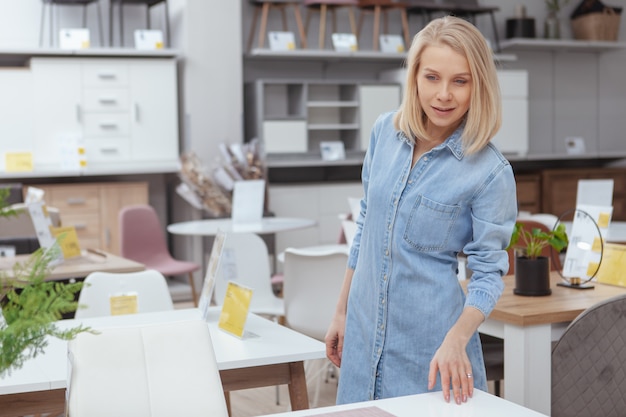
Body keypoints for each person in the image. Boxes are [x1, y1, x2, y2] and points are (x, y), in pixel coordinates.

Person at [325, 16, 517, 406]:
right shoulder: (384, 132)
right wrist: (341, 313)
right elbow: (366, 227)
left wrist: (456, 339)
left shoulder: (490, 172)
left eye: (459, 81)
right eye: (432, 77)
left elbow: (488, 273)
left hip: (431, 353)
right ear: (414, 78)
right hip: (362, 341)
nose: (443, 94)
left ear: (478, 85)